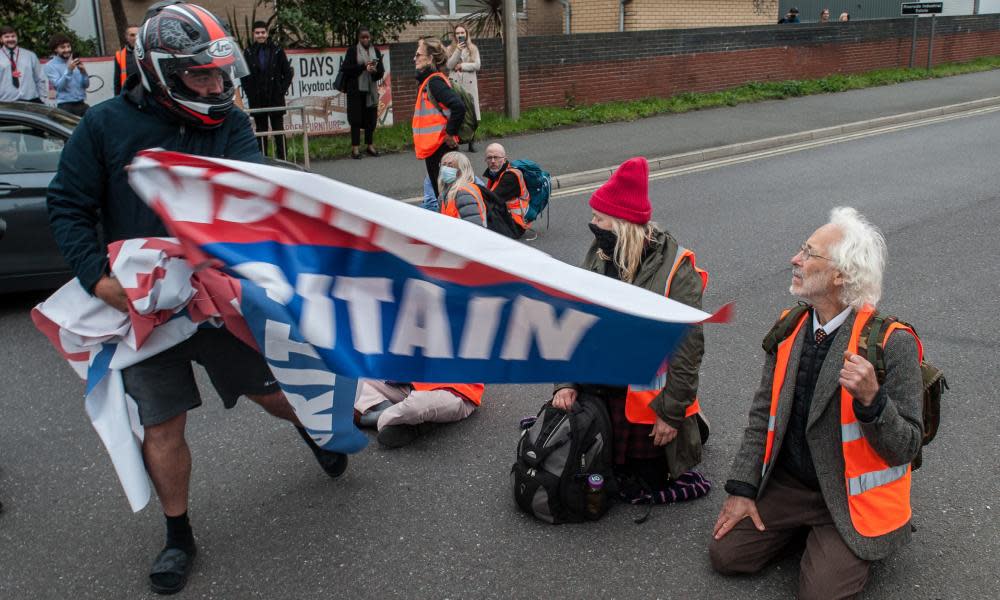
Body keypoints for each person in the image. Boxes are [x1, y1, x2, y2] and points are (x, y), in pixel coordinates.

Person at [46, 3, 347, 594]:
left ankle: (313, 429)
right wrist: (97, 280)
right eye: (200, 76)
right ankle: (177, 533)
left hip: (214, 297)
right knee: (161, 425)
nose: (217, 86)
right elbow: (68, 205)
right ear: (160, 73)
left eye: (219, 73)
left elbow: (252, 195)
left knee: (273, 394)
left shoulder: (229, 121)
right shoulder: (103, 126)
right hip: (140, 309)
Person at [709, 207, 924, 599]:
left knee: (821, 594)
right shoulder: (791, 326)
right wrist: (742, 488)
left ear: (841, 274)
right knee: (727, 555)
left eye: (809, 253)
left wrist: (873, 402)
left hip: (847, 498)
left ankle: (841, 541)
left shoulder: (893, 342)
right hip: (792, 484)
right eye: (801, 249)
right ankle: (805, 534)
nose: (795, 259)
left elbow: (907, 445)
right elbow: (763, 414)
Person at [552, 157, 711, 505]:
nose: (592, 225)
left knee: (646, 479)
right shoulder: (599, 253)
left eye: (599, 219)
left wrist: (670, 414)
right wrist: (565, 383)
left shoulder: (676, 269)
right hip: (602, 383)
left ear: (622, 224)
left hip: (646, 398)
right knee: (583, 462)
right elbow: (574, 322)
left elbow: (687, 350)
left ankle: (687, 422)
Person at [355, 381, 484, 448]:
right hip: (410, 386)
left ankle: (367, 419)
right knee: (355, 376)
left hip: (454, 392)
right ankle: (398, 419)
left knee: (415, 407)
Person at [413, 37, 465, 198]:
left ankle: (452, 223)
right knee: (445, 195)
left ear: (430, 59)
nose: (414, 58)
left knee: (447, 196)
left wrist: (450, 133)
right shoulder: (429, 81)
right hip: (435, 149)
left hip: (442, 150)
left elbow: (458, 106)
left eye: (418, 54)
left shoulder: (434, 82)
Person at [241, 21, 294, 160]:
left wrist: (280, 91)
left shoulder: (277, 50)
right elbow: (244, 77)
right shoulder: (248, 52)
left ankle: (283, 160)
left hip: (275, 98)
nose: (260, 35)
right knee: (261, 132)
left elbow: (288, 73)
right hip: (258, 100)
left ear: (267, 33)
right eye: (257, 33)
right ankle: (262, 161)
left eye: (263, 32)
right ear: (253, 34)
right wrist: (250, 94)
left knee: (279, 132)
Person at [341, 27, 384, 159]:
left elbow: (381, 71)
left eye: (367, 37)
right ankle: (355, 149)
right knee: (356, 120)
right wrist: (363, 67)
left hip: (370, 91)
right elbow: (346, 69)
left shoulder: (375, 51)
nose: (366, 39)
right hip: (355, 91)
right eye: (363, 37)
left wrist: (374, 71)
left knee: (370, 119)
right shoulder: (352, 51)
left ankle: (370, 146)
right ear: (358, 38)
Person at [482, 142, 530, 239]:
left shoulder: (510, 177)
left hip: (515, 226)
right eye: (489, 158)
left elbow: (492, 199)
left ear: (504, 160)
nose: (492, 161)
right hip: (505, 219)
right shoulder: (495, 174)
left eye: (496, 157)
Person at [446, 24, 480, 153]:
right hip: (455, 84)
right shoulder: (450, 49)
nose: (460, 35)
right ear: (454, 36)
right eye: (457, 33)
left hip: (469, 84)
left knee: (472, 113)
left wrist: (462, 66)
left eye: (462, 33)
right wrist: (458, 51)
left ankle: (471, 141)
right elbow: (449, 65)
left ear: (466, 34)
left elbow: (477, 65)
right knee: (456, 113)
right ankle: (456, 142)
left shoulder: (473, 48)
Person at [437, 150, 487, 227]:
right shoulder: (445, 194)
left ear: (461, 170)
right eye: (443, 165)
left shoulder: (463, 193)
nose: (445, 169)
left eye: (450, 166)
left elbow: (474, 226)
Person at [43, 34, 90, 117]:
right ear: (55, 49)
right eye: (63, 47)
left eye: (68, 46)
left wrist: (83, 72)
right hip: (65, 106)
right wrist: (69, 70)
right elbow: (59, 87)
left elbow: (86, 85)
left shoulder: (74, 61)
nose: (67, 49)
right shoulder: (50, 66)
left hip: (81, 104)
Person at [0, 26, 47, 104]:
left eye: (13, 36)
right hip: (6, 102)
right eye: (6, 37)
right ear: (1, 39)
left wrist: (43, 98)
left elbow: (40, 78)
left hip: (31, 101)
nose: (11, 39)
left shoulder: (30, 55)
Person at [114, 24, 140, 95]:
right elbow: (117, 82)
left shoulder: (147, 52)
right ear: (127, 37)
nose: (135, 38)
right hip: (128, 94)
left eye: (137, 35)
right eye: (132, 35)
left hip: (146, 95)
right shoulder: (120, 56)